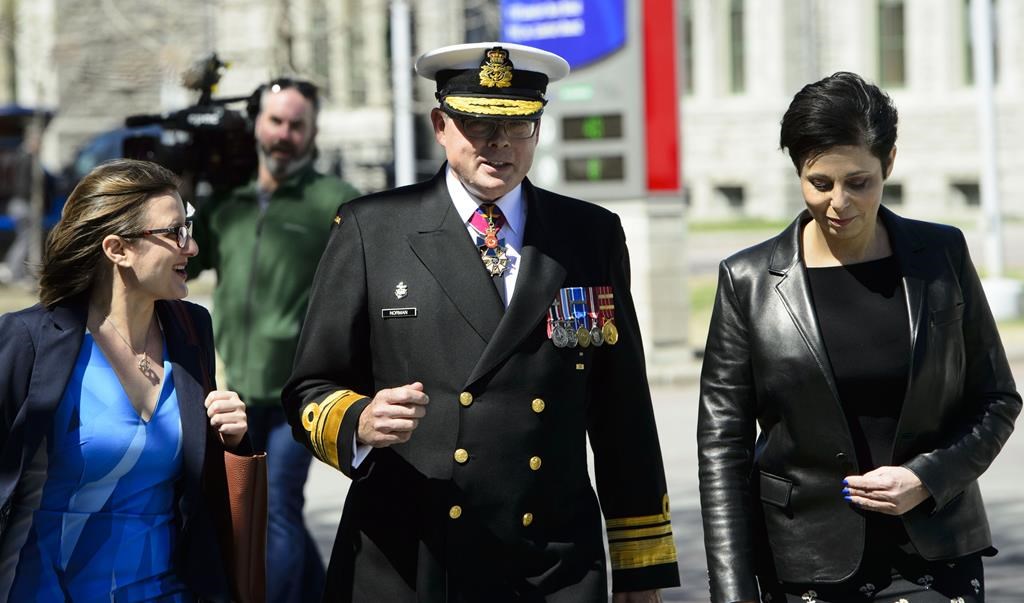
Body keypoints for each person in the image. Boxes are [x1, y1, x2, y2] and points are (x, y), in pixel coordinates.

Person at [282, 42, 680, 602]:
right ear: (440, 125)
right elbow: (308, 388)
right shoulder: (374, 229)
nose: (498, 145)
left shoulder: (588, 235)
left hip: (550, 562)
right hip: (414, 556)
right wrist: (360, 421)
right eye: (477, 125)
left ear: (538, 128)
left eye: (518, 127)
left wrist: (641, 569)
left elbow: (623, 414)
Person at [697, 72, 1022, 603]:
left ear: (888, 163)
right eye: (819, 183)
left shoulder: (940, 256)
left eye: (859, 182)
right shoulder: (748, 280)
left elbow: (996, 398)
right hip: (805, 563)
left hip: (936, 555)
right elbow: (722, 446)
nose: (838, 202)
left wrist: (927, 478)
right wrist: (732, 591)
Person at [0, 159, 250, 601]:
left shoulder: (191, 329)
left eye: (187, 227)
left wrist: (228, 439)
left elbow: (193, 490)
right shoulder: (29, 341)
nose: (190, 247)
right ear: (117, 249)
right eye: (174, 233)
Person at [187, 77, 360, 602]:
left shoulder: (337, 203)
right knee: (265, 507)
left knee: (275, 506)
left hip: (300, 392)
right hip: (236, 387)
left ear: (312, 132)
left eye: (296, 125)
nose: (285, 134)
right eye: (276, 121)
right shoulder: (227, 202)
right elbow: (193, 259)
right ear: (258, 124)